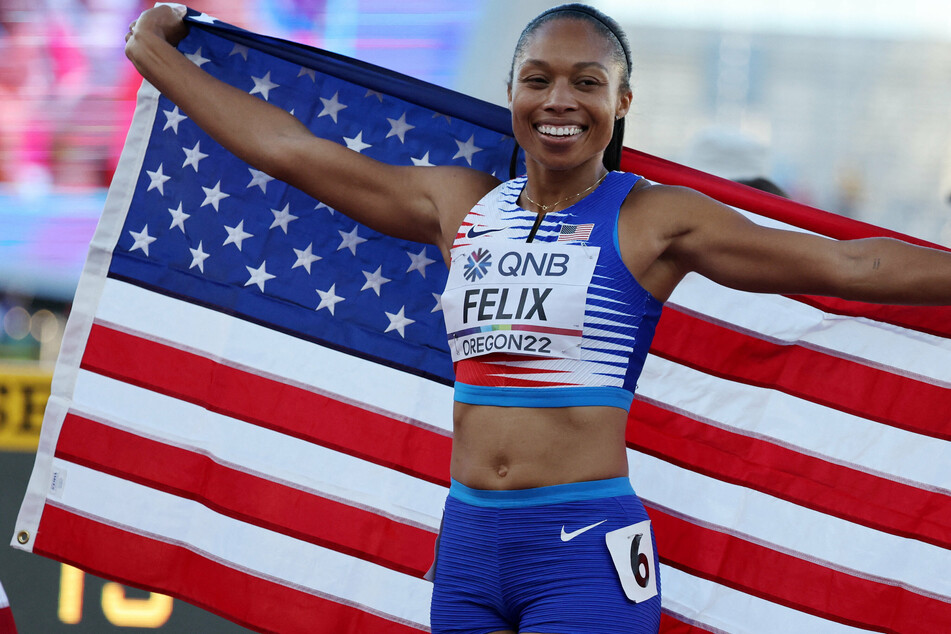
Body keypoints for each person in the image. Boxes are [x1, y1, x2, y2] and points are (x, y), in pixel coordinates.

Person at [125, 4, 951, 633]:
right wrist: (155, 55)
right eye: (539, 79)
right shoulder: (457, 203)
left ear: (621, 101)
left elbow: (848, 264)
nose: (561, 100)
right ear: (512, 91)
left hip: (584, 551)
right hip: (469, 547)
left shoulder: (653, 221)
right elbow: (290, 150)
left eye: (587, 82)